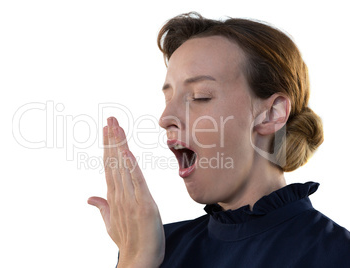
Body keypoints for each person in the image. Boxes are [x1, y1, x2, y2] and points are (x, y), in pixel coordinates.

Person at [88, 12, 350, 267]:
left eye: (200, 96)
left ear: (272, 114)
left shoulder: (337, 255)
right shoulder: (156, 248)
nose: (165, 117)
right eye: (168, 98)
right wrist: (135, 260)